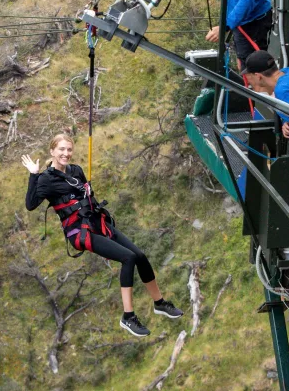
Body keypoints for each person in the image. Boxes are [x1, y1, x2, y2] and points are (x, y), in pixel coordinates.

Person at [22, 134, 182, 337]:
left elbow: (86, 196)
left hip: (97, 223)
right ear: (52, 151)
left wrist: (88, 191)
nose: (66, 153)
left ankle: (159, 303)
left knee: (140, 255)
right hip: (80, 232)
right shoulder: (46, 179)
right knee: (128, 258)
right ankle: (128, 317)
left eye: (69, 149)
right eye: (61, 149)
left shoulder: (76, 170)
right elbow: (30, 204)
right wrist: (34, 175)